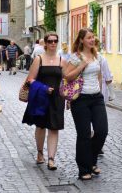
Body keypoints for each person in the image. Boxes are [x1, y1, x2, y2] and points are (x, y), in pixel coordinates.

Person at [64, 28, 108, 181]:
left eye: (93, 37)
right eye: (89, 37)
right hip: (80, 99)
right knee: (84, 135)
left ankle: (91, 159)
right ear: (82, 40)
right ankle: (84, 169)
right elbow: (67, 76)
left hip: (96, 99)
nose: (92, 39)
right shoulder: (76, 57)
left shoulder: (97, 56)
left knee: (102, 131)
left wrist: (101, 92)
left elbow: (99, 76)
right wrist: (82, 65)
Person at [22, 32, 67, 171]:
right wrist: (44, 88)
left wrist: (68, 94)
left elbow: (66, 80)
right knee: (41, 126)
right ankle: (40, 152)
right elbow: (30, 80)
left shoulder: (62, 60)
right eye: (50, 41)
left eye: (55, 41)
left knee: (54, 128)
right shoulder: (39, 59)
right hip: (41, 97)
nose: (53, 43)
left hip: (57, 99)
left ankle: (51, 159)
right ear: (45, 44)